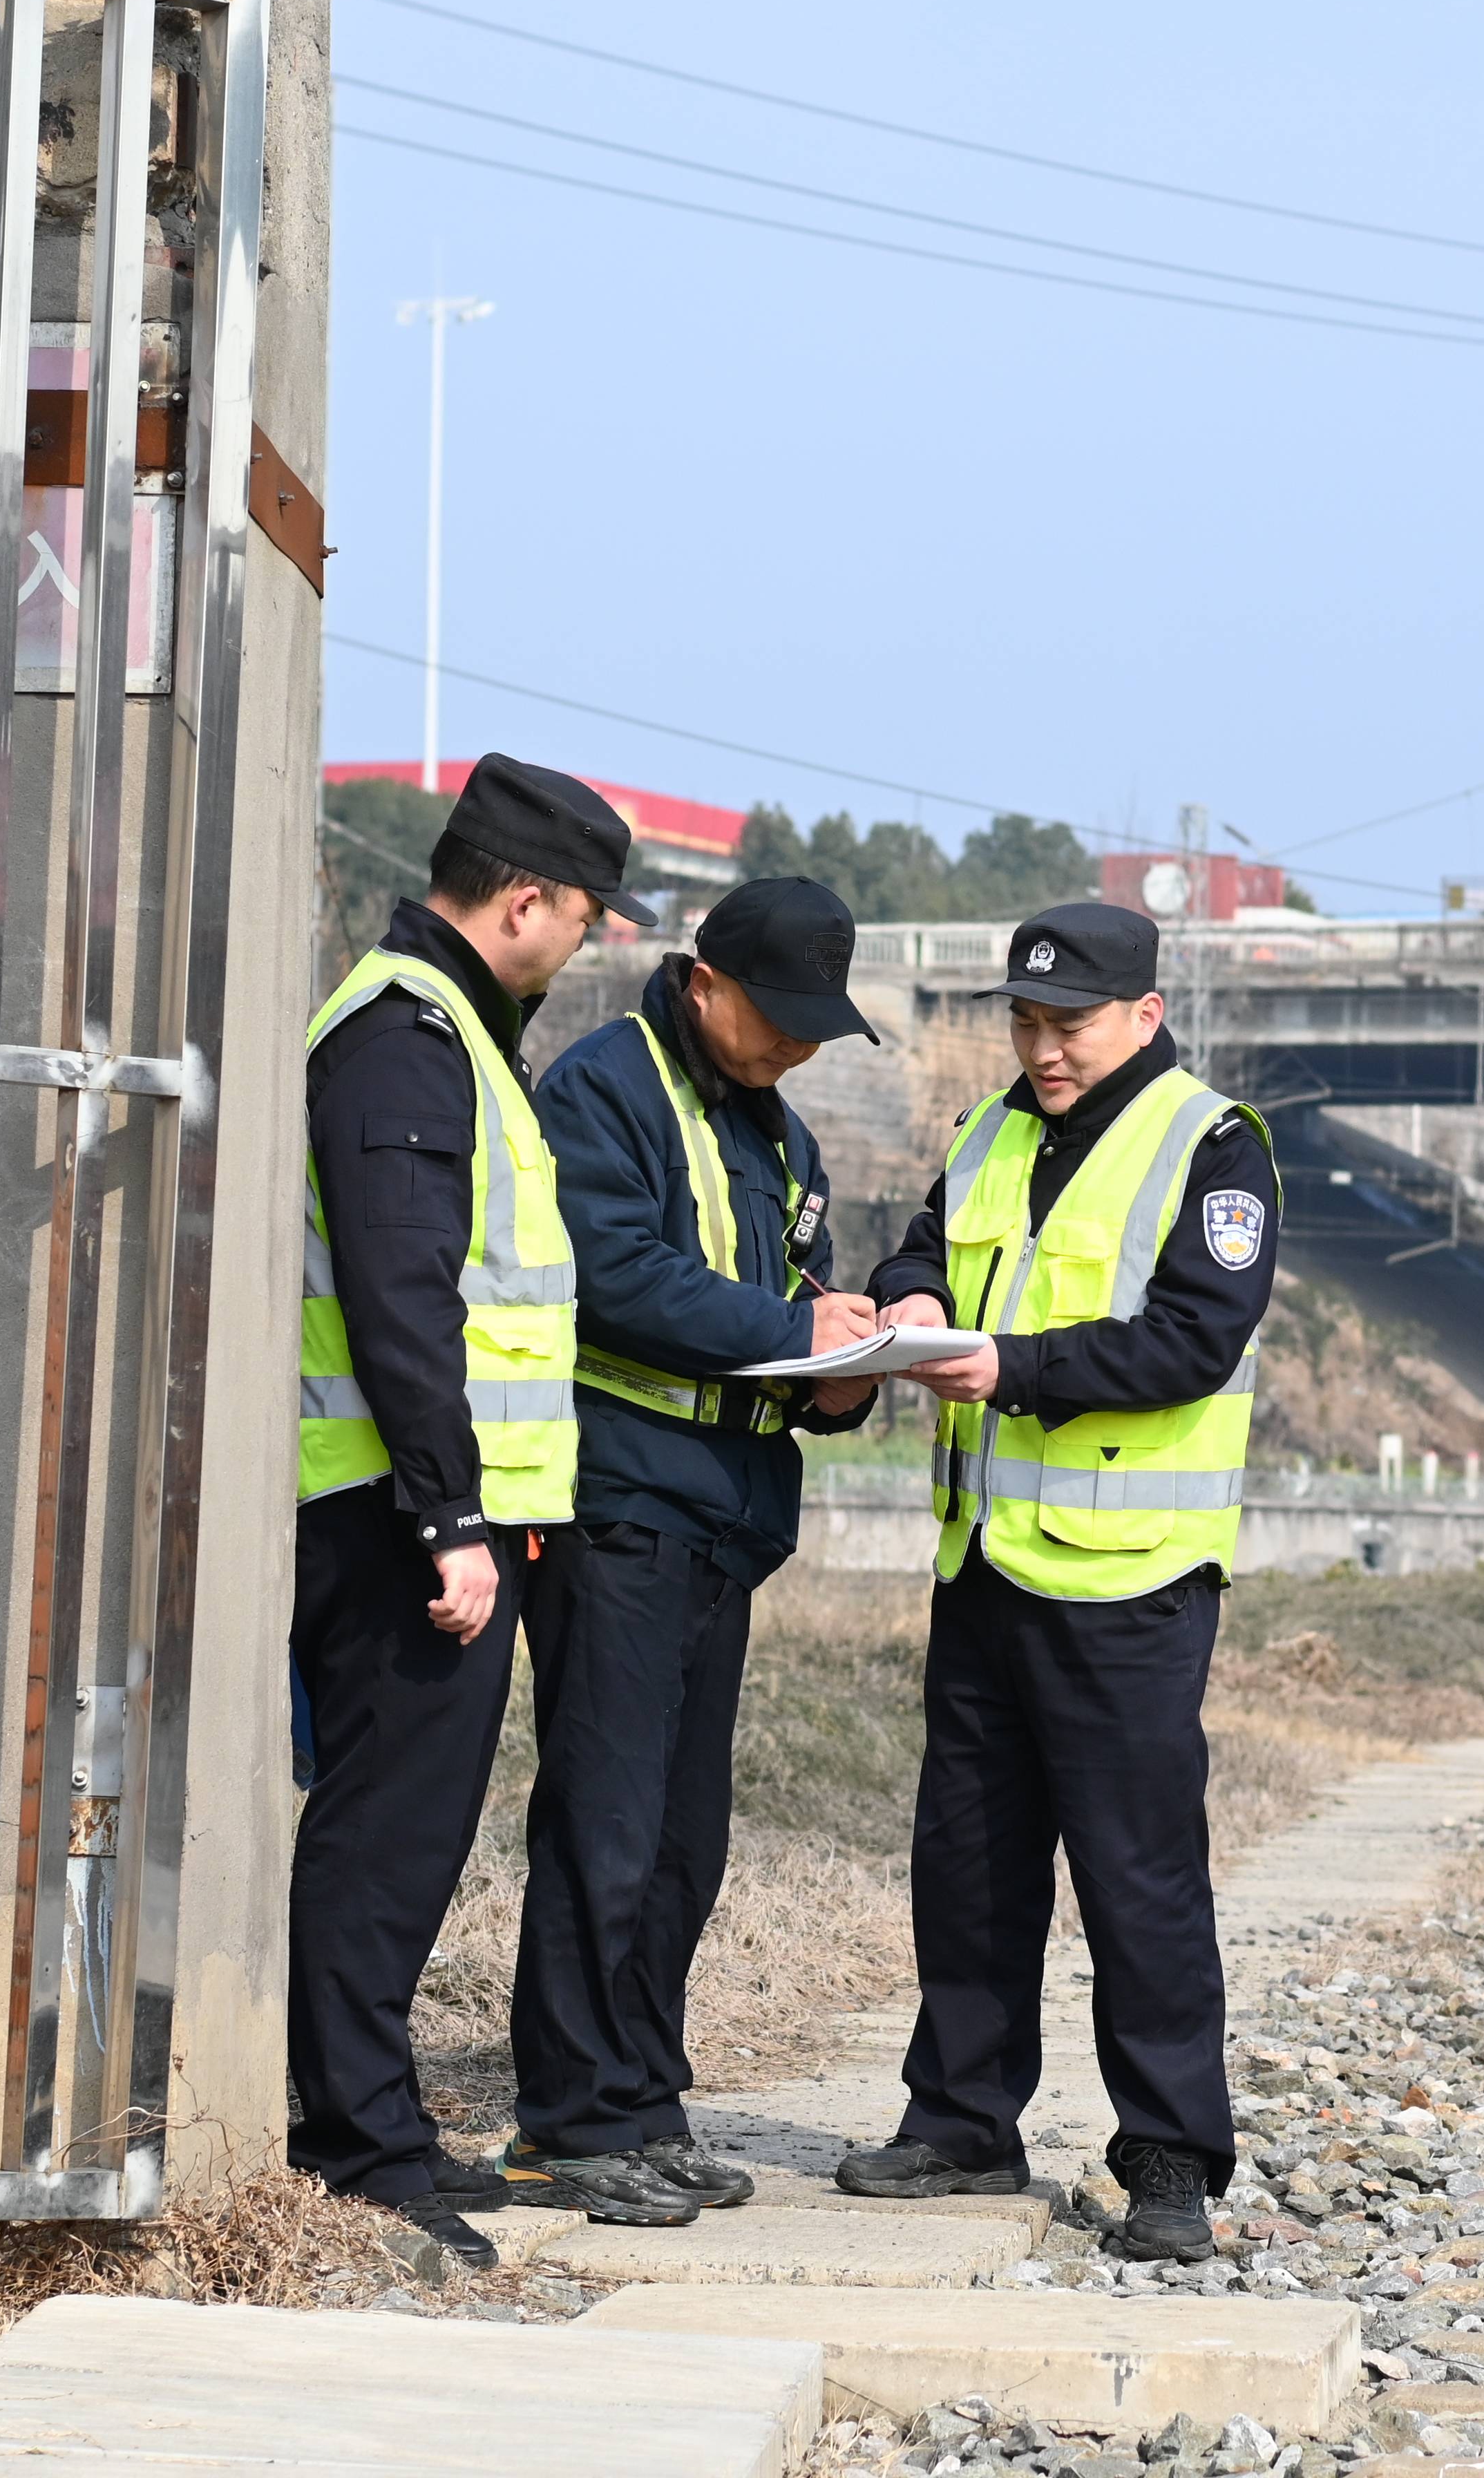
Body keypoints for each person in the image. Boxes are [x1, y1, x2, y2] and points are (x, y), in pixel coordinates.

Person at [835, 903, 1277, 2264]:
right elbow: (926, 1245)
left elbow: (1193, 1338)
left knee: (1139, 1877)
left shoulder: (1213, 1146)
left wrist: (1015, 1368)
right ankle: (961, 2118)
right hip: (982, 1559)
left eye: (1068, 1025)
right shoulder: (988, 1130)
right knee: (967, 1861)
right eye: (1026, 1023)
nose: (1043, 1050)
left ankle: (1169, 2158)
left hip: (1128, 1582)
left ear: (1144, 1013)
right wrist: (910, 1298)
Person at [289, 752, 651, 2262]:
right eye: (582, 918)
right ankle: (357, 2141)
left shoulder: (444, 1030)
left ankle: (369, 2118)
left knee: (407, 1828)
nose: (582, 945)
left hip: (423, 1499)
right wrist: (449, 1516)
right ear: (523, 901)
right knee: (386, 1832)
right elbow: (403, 1293)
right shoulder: (406, 1037)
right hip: (395, 1509)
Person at [506, 876, 882, 2223]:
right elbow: (613, 1273)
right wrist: (792, 1333)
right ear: (703, 980)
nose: (797, 1045)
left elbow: (794, 1298)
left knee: (682, 1841)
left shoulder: (778, 1130)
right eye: (778, 1018)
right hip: (619, 1506)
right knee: (602, 1825)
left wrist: (846, 1373)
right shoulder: (606, 1088)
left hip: (724, 1519)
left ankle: (641, 2098)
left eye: (816, 1029)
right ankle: (567, 2123)